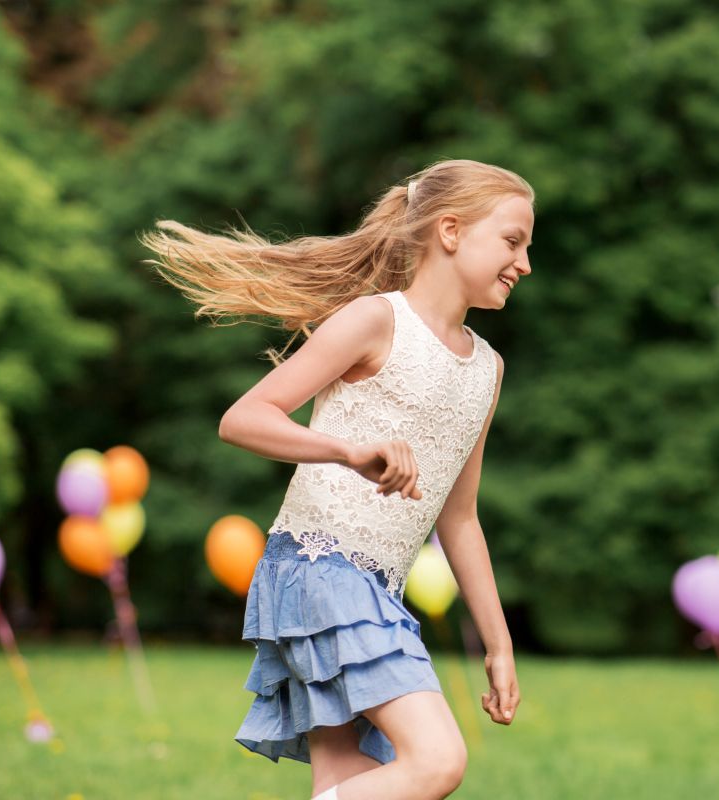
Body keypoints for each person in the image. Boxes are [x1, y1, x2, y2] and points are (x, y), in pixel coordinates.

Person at [143, 159, 533, 800]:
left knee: (350, 783)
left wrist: (500, 644)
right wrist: (347, 451)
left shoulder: (487, 369)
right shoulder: (375, 321)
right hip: (319, 570)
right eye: (512, 241)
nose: (523, 263)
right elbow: (243, 419)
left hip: (377, 587)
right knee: (436, 761)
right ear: (451, 230)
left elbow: (459, 517)